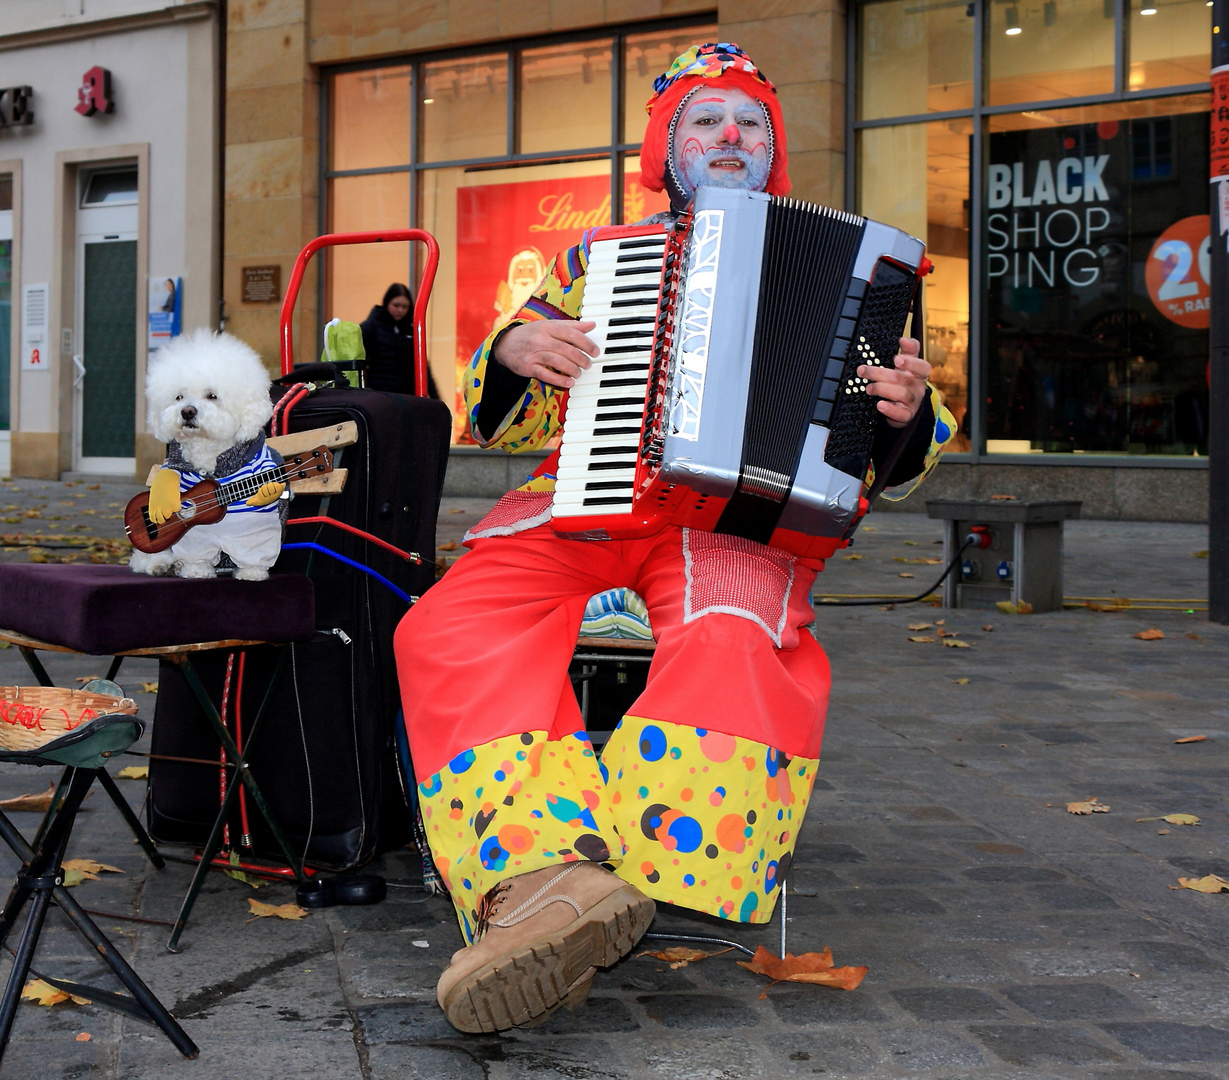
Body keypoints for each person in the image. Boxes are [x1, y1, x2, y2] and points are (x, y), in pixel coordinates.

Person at [394, 42, 958, 1033]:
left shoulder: (867, 272)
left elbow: (895, 443)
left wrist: (905, 411)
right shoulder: (594, 258)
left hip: (735, 523)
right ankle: (546, 878)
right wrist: (520, 350)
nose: (728, 136)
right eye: (706, 122)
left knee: (735, 634)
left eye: (749, 124)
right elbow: (500, 415)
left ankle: (625, 873)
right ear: (670, 149)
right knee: (445, 627)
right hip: (586, 501)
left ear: (770, 152)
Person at [360, 283, 439, 398]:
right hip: (379, 394)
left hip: (406, 397)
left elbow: (423, 368)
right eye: (396, 305)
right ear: (387, 303)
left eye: (404, 306)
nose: (400, 310)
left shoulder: (412, 330)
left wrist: (435, 398)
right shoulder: (371, 327)